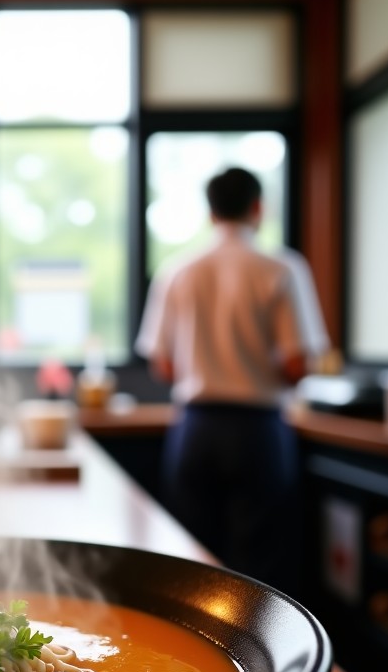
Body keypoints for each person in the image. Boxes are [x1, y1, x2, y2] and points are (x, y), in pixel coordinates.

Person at [135, 166, 329, 592]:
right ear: (258, 207)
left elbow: (163, 365)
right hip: (258, 431)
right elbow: (298, 365)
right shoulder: (281, 268)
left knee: (192, 559)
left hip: (195, 429)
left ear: (211, 211)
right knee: (260, 567)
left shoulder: (178, 270)